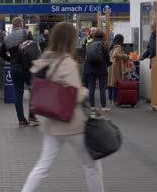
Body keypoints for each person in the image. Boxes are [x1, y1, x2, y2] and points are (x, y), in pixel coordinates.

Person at [21, 22, 104, 192]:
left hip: (50, 121)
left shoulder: (45, 58)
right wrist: (85, 91)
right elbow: (74, 94)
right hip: (71, 124)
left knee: (43, 166)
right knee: (92, 166)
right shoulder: (66, 62)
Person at [0, 17, 39, 127]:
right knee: (33, 91)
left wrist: (10, 60)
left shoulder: (6, 38)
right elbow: (33, 49)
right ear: (21, 24)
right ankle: (32, 116)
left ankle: (21, 120)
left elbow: (1, 53)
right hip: (28, 67)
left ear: (12, 25)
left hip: (14, 68)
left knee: (18, 93)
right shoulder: (26, 33)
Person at [84, 30, 111, 111]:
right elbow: (107, 57)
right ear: (102, 36)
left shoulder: (89, 43)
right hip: (101, 68)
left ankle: (92, 106)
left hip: (90, 67)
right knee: (102, 87)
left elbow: (87, 55)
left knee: (91, 86)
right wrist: (109, 64)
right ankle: (103, 107)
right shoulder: (104, 44)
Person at [107, 34, 129, 104]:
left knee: (111, 83)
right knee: (115, 83)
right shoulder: (118, 47)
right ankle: (114, 100)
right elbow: (115, 55)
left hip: (111, 65)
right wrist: (125, 56)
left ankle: (110, 99)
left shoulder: (112, 46)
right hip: (116, 66)